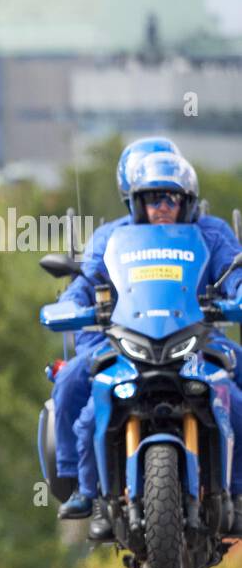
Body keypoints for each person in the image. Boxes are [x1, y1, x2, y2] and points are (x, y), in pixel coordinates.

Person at [71, 153, 242, 539]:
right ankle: (89, 495)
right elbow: (81, 286)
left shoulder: (211, 233)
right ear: (135, 202)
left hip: (197, 340)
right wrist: (69, 305)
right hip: (125, 339)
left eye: (171, 197)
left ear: (187, 201)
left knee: (234, 393)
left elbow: (236, 275)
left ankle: (238, 491)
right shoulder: (111, 238)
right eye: (153, 198)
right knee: (75, 391)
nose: (162, 207)